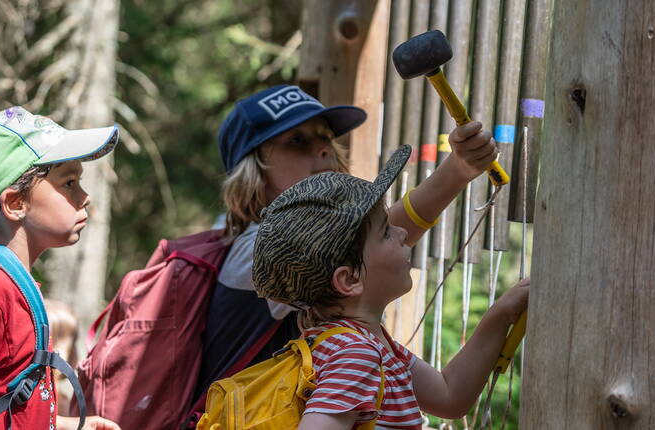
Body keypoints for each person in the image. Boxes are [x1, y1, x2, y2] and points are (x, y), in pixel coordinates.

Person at [195, 84, 505, 400]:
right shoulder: (255, 251)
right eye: (298, 141)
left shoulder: (349, 333)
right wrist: (457, 170)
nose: (325, 148)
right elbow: (363, 241)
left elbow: (448, 396)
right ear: (253, 170)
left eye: (326, 136)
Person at [252, 146, 530, 429]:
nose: (402, 232)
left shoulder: (367, 345)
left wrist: (502, 312)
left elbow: (449, 396)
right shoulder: (355, 354)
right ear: (349, 280)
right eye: (385, 231)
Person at [0, 107, 121, 430]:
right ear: (15, 204)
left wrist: (73, 426)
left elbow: (0, 406)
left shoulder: (15, 283)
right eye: (69, 183)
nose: (85, 197)